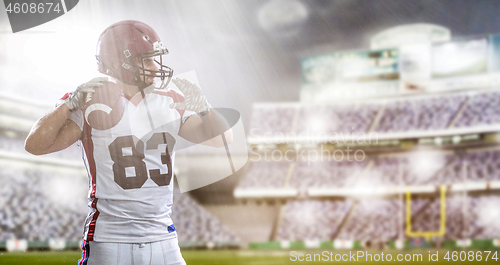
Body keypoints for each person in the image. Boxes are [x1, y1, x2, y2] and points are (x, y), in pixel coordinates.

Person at [24, 20, 232, 265]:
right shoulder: (91, 103)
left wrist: (203, 106)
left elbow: (223, 141)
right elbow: (35, 145)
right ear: (118, 63)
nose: (155, 67)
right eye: (146, 60)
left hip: (162, 238)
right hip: (110, 239)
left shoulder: (170, 100)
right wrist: (70, 103)